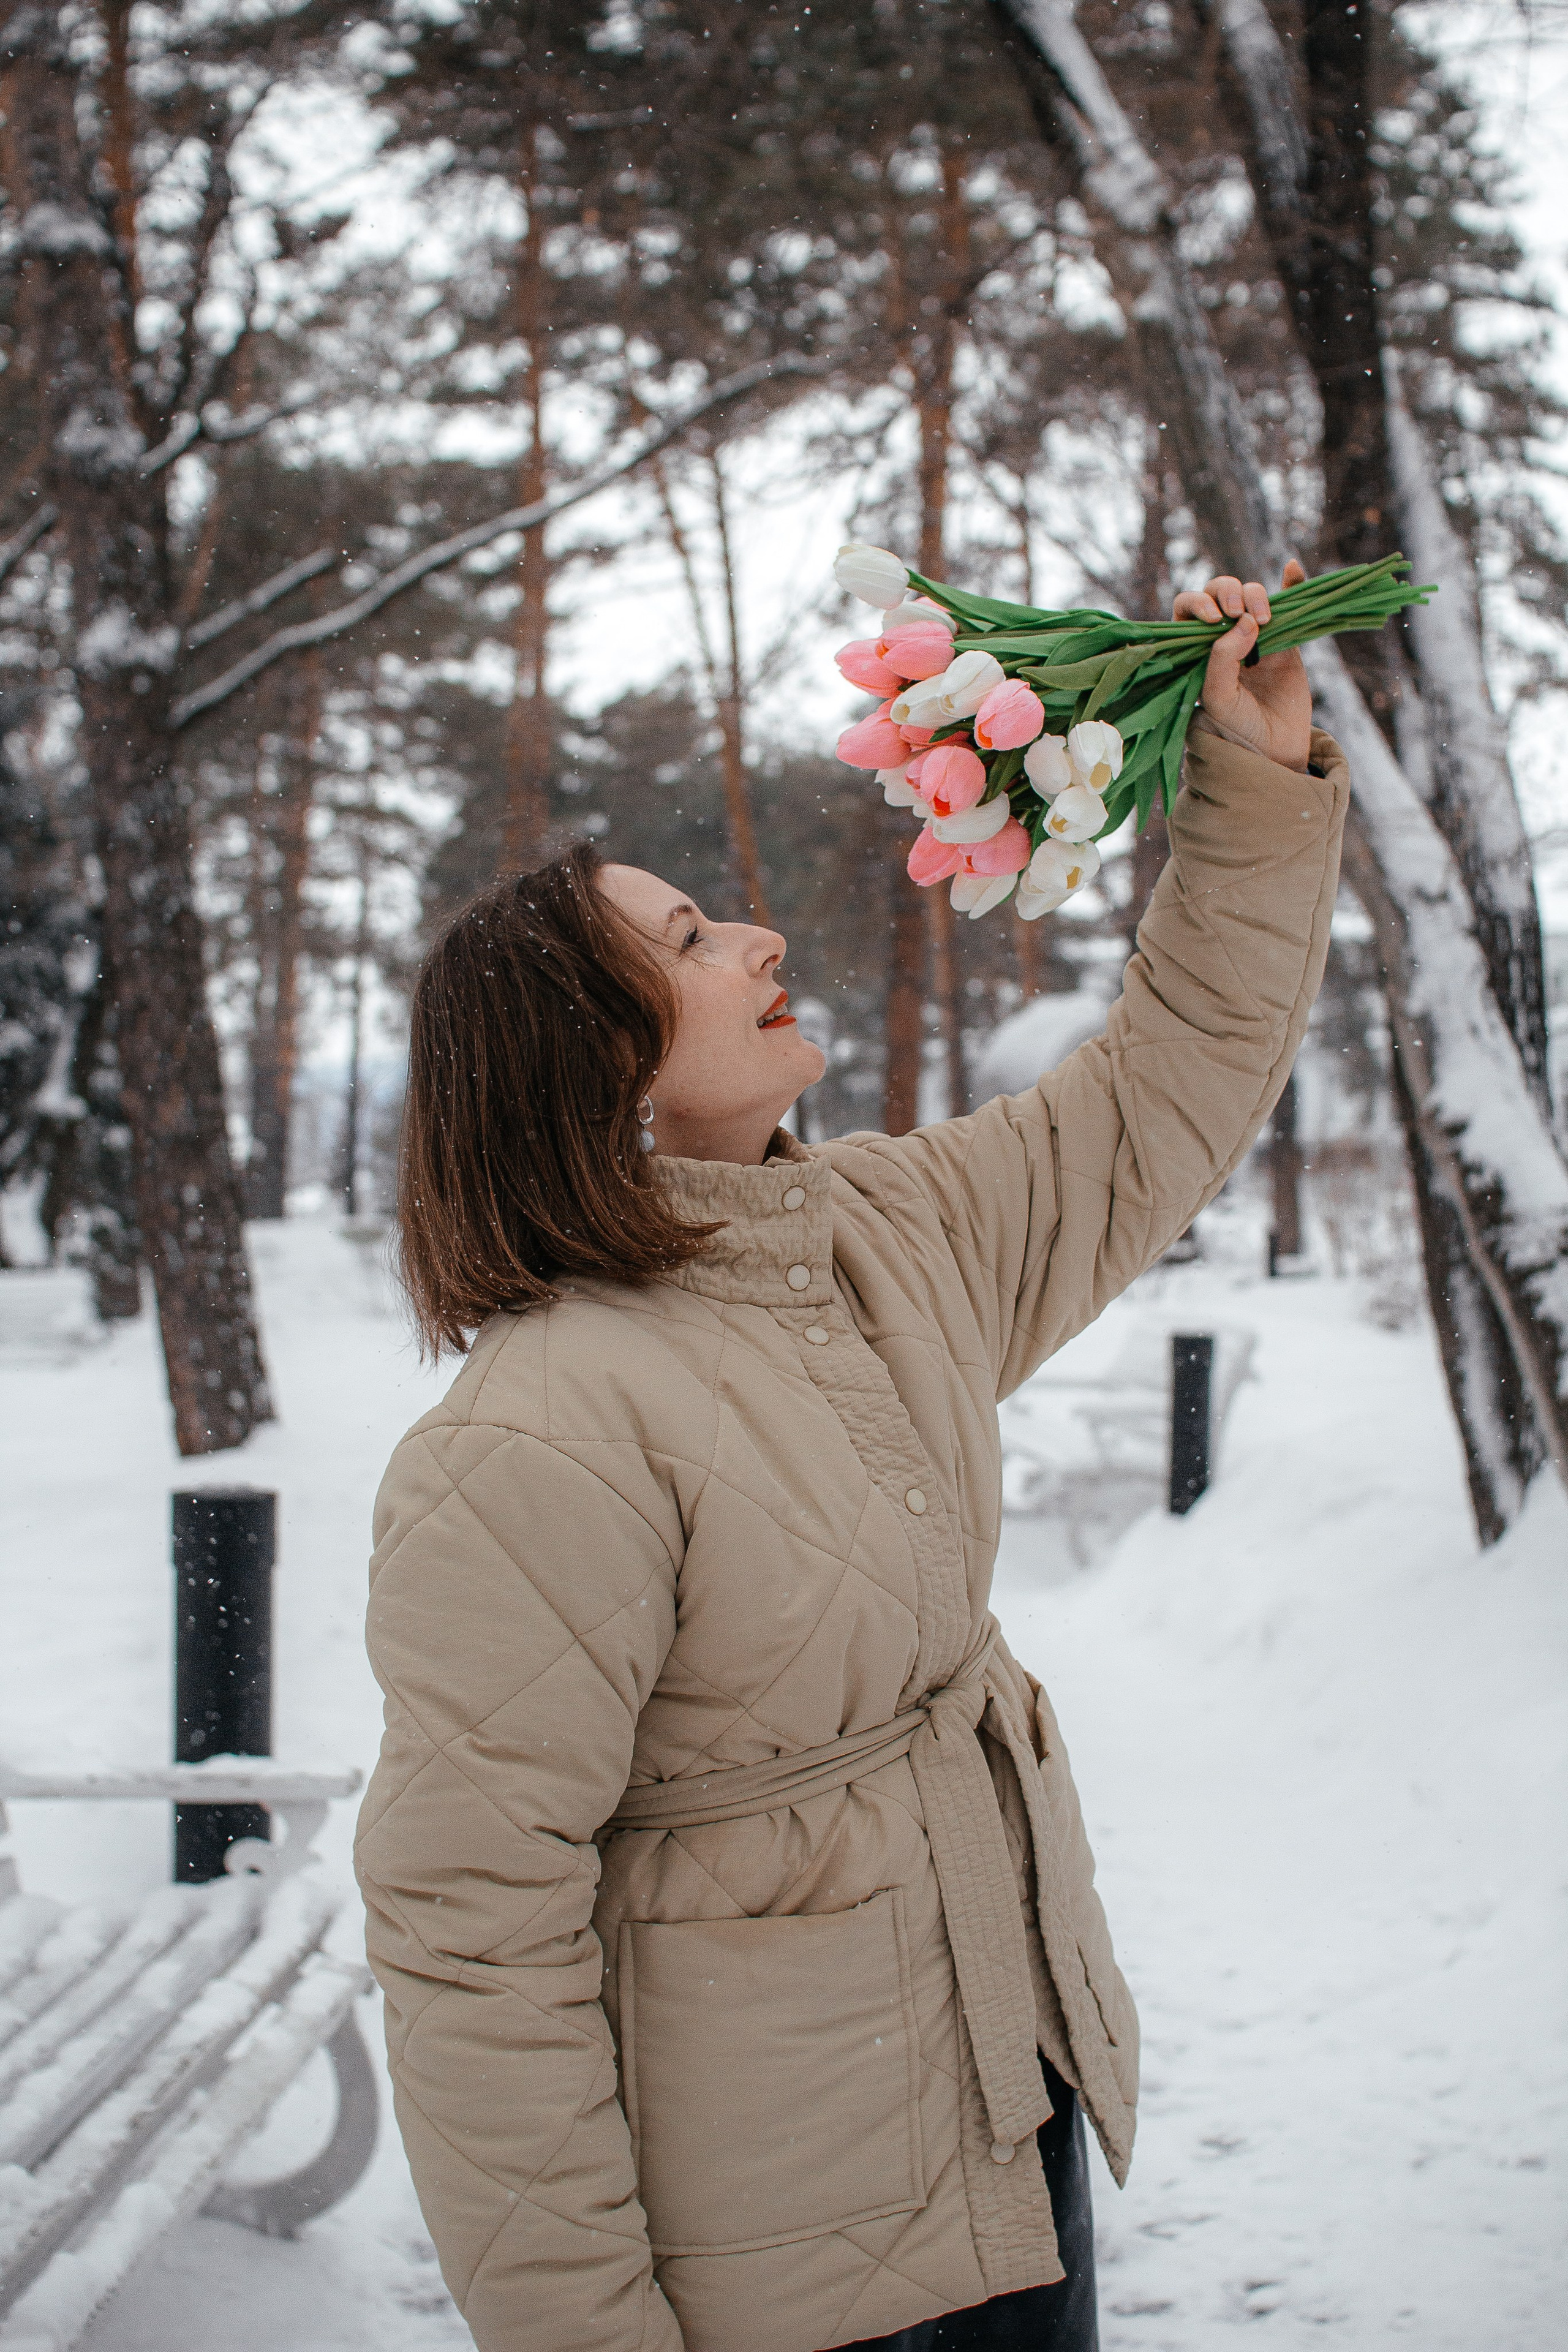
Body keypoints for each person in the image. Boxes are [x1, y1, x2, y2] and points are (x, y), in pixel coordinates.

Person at [356, 567, 1346, 2352]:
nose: (753, 940)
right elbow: (473, 1942)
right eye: (684, 939)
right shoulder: (534, 1436)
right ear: (586, 1057)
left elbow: (1165, 1087)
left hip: (1002, 2121)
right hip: (781, 2250)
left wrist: (1248, 783)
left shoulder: (880, 1236)